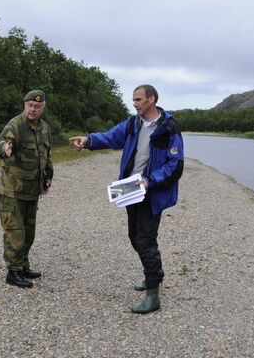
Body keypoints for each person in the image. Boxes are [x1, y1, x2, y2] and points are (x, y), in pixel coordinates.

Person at [69, 84, 184, 314]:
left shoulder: (169, 128)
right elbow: (111, 137)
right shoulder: (133, 123)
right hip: (130, 189)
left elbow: (176, 165)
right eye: (133, 99)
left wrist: (150, 180)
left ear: (151, 99)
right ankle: (155, 276)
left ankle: (153, 295)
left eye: (139, 99)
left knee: (145, 240)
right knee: (134, 236)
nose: (135, 103)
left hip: (153, 192)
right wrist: (89, 141)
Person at [0, 90, 53, 288]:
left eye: (37, 106)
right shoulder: (15, 125)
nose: (33, 109)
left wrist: (47, 178)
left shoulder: (44, 128)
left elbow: (46, 156)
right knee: (15, 232)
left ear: (42, 108)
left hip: (32, 190)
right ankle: (13, 272)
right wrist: (6, 148)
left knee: (29, 232)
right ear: (25, 105)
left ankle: (23, 265)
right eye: (30, 105)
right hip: (12, 191)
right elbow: (0, 144)